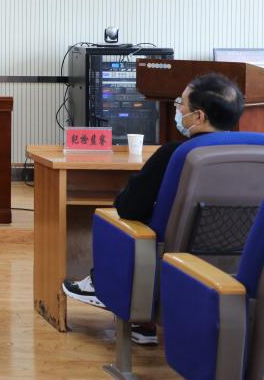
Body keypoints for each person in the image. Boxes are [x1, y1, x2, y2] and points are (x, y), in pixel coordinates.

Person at [62, 72, 245, 344]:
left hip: (171, 261)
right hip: (238, 264)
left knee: (116, 221)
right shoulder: (254, 153)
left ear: (199, 116)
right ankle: (143, 324)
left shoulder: (175, 154)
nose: (177, 109)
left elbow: (129, 207)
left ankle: (103, 286)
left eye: (181, 104)